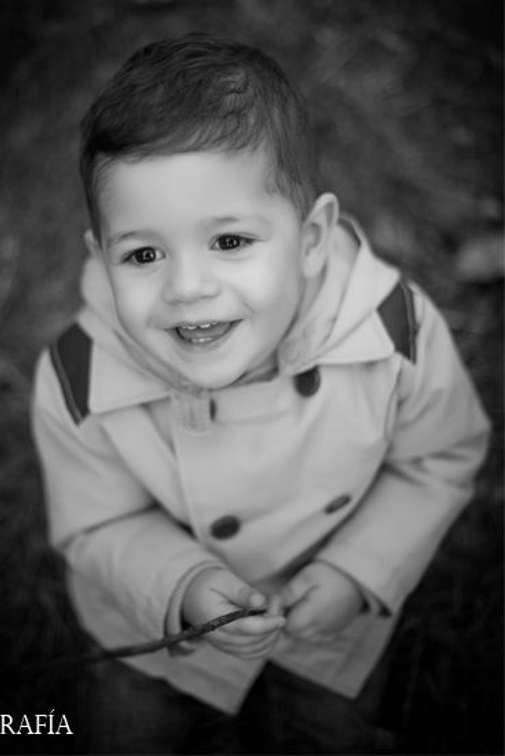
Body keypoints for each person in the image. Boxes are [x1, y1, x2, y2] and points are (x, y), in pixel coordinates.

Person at [31, 33, 490, 753]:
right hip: (156, 631)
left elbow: (438, 457)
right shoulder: (81, 376)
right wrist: (180, 584)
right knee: (132, 732)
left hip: (331, 617)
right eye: (144, 254)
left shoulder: (393, 333)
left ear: (311, 240)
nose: (188, 288)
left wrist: (358, 570)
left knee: (331, 732)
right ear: (101, 258)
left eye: (231, 241)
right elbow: (96, 525)